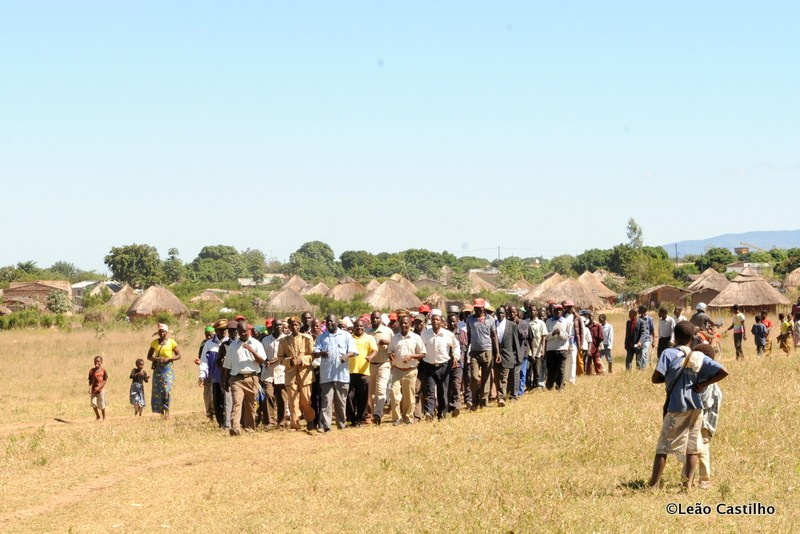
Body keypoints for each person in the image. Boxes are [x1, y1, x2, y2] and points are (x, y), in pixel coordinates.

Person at [647, 321, 728, 488]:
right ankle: (686, 486)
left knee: (663, 447)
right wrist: (702, 384)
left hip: (677, 407)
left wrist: (669, 377)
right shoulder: (698, 356)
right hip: (696, 408)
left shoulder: (668, 353)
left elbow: (655, 378)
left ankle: (653, 484)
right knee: (693, 447)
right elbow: (723, 371)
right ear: (693, 338)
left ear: (675, 337)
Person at [676, 343, 722, 489]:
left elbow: (704, 403)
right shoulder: (708, 379)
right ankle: (689, 479)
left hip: (704, 423)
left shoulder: (705, 383)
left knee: (701, 451)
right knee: (693, 451)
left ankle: (704, 479)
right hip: (702, 422)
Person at [313, 315, 357, 432]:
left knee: (341, 402)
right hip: (326, 375)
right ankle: (326, 426)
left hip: (341, 375)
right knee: (326, 402)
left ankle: (341, 425)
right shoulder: (322, 337)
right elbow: (315, 351)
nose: (329, 324)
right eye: (327, 322)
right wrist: (321, 353)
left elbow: (353, 351)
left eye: (331, 322)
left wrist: (346, 356)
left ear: (337, 322)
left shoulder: (346, 335)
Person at [223, 319, 267, 435]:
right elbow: (227, 365)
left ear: (249, 330)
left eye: (244, 331)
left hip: (252, 378)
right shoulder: (233, 346)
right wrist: (226, 380)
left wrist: (251, 350)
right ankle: (236, 428)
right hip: (236, 379)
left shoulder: (257, 344)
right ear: (237, 331)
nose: (243, 333)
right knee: (237, 403)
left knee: (251, 404)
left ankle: (249, 428)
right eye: (240, 331)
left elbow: (261, 360)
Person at [277, 316, 316, 431]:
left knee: (306, 400)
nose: (294, 327)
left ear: (299, 326)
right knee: (293, 401)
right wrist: (289, 361)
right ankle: (295, 424)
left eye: (296, 325)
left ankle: (310, 420)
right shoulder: (283, 341)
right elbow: (280, 358)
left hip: (305, 374)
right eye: (292, 325)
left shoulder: (307, 339)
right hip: (291, 374)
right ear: (288, 327)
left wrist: (302, 360)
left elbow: (312, 355)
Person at [420, 309, 459, 420]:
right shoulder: (425, 334)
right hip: (429, 366)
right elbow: (419, 347)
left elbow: (456, 346)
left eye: (437, 319)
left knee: (443, 392)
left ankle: (442, 413)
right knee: (430, 392)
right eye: (433, 319)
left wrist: (456, 356)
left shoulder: (448, 334)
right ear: (430, 321)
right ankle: (429, 413)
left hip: (443, 366)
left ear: (441, 321)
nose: (435, 321)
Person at [388, 315, 426, 425]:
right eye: (402, 323)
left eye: (406, 323)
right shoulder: (395, 338)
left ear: (410, 324)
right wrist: (390, 355)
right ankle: (397, 418)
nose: (404, 325)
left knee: (409, 397)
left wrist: (411, 357)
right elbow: (390, 351)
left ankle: (408, 418)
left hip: (411, 371)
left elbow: (423, 354)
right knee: (394, 394)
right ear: (399, 324)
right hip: (397, 370)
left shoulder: (416, 338)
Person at [466, 298, 499, 409]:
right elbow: (469, 336)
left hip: (487, 351)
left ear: (483, 308)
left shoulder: (490, 319)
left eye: (479, 308)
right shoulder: (470, 319)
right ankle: (474, 400)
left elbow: (494, 336)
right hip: (474, 352)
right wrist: (467, 350)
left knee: (486, 377)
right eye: (475, 308)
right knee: (474, 377)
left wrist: (497, 352)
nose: (477, 310)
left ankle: (483, 402)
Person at [147, 323, 181, 419]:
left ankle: (167, 410)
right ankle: (161, 411)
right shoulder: (154, 343)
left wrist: (169, 359)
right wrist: (156, 359)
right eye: (160, 332)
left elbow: (178, 355)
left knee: (166, 389)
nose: (162, 333)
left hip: (167, 369)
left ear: (167, 332)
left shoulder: (171, 342)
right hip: (157, 369)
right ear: (158, 332)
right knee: (158, 391)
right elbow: (149, 356)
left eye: (164, 332)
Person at [348, 319, 377, 426]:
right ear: (353, 327)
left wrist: (370, 357)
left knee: (363, 398)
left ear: (364, 327)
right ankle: (352, 419)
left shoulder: (369, 338)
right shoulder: (349, 338)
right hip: (350, 372)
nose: (359, 328)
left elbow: (374, 350)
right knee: (350, 397)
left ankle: (361, 419)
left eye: (361, 326)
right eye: (357, 326)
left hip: (364, 373)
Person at [199, 319, 228, 425]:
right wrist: (202, 374)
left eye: (225, 329)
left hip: (227, 377)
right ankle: (220, 422)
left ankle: (226, 422)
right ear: (216, 331)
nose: (223, 332)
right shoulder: (209, 344)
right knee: (216, 401)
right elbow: (204, 361)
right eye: (221, 330)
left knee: (226, 400)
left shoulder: (229, 342)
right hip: (214, 377)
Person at [367, 310, 393, 425]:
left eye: (377, 318)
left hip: (384, 364)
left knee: (381, 390)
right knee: (371, 392)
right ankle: (371, 414)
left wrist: (387, 343)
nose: (375, 320)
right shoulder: (367, 332)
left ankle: (378, 414)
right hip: (370, 365)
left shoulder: (387, 331)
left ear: (381, 319)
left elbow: (394, 345)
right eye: (373, 318)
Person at [260, 319, 287, 427]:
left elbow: (289, 354)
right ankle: (269, 422)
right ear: (273, 326)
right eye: (276, 325)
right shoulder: (265, 340)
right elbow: (261, 355)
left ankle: (282, 422)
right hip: (268, 373)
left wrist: (279, 359)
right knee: (268, 395)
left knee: (282, 399)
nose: (278, 327)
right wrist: (265, 362)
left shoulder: (286, 339)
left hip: (282, 372)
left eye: (280, 325)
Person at [493, 305, 520, 406]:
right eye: (498, 313)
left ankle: (501, 398)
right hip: (495, 356)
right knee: (497, 378)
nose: (500, 315)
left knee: (503, 378)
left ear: (505, 314)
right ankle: (501, 395)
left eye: (502, 313)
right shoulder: (493, 325)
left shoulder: (512, 325)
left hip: (507, 355)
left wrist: (517, 356)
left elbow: (515, 342)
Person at [446, 306, 468, 417]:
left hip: (458, 363)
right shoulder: (444, 334)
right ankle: (448, 407)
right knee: (448, 385)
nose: (452, 324)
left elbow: (464, 348)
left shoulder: (462, 333)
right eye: (450, 322)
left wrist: (460, 360)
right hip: (445, 363)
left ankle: (456, 406)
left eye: (454, 322)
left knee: (456, 384)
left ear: (457, 322)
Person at [544, 304, 569, 390]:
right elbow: (545, 336)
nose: (558, 312)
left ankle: (560, 387)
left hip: (562, 349)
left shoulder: (566, 322)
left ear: (562, 311)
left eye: (560, 310)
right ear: (553, 311)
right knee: (551, 370)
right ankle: (549, 387)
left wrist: (560, 333)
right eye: (556, 310)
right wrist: (552, 334)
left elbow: (568, 336)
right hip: (551, 349)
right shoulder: (548, 321)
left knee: (561, 370)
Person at [582, 310, 605, 375]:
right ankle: (588, 374)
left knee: (597, 361)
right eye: (589, 316)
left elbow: (601, 337)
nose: (590, 318)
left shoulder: (598, 326)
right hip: (588, 347)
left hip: (596, 346)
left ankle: (599, 372)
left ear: (594, 317)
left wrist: (598, 346)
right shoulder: (586, 326)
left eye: (591, 316)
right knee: (588, 362)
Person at [88, 355, 108, 421]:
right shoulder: (91, 371)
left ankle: (104, 417)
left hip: (100, 390)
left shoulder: (103, 371)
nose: (97, 362)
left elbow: (105, 380)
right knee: (93, 403)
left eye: (98, 361)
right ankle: (98, 416)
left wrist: (100, 387)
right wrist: (89, 388)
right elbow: (90, 380)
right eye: (95, 361)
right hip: (94, 390)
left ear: (101, 362)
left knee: (102, 404)